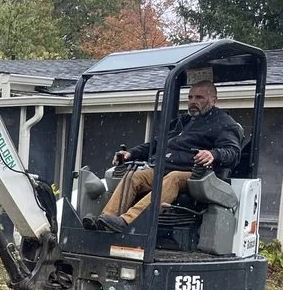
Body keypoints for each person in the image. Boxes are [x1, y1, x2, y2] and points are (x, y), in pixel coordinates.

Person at [84, 81, 243, 232]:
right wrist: (131, 153)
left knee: (173, 178)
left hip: (193, 174)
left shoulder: (225, 123)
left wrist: (213, 154)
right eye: (190, 97)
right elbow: (156, 144)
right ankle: (106, 220)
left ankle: (128, 221)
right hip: (163, 168)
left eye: (199, 97)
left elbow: (233, 152)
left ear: (213, 101)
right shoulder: (183, 121)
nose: (193, 101)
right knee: (134, 176)